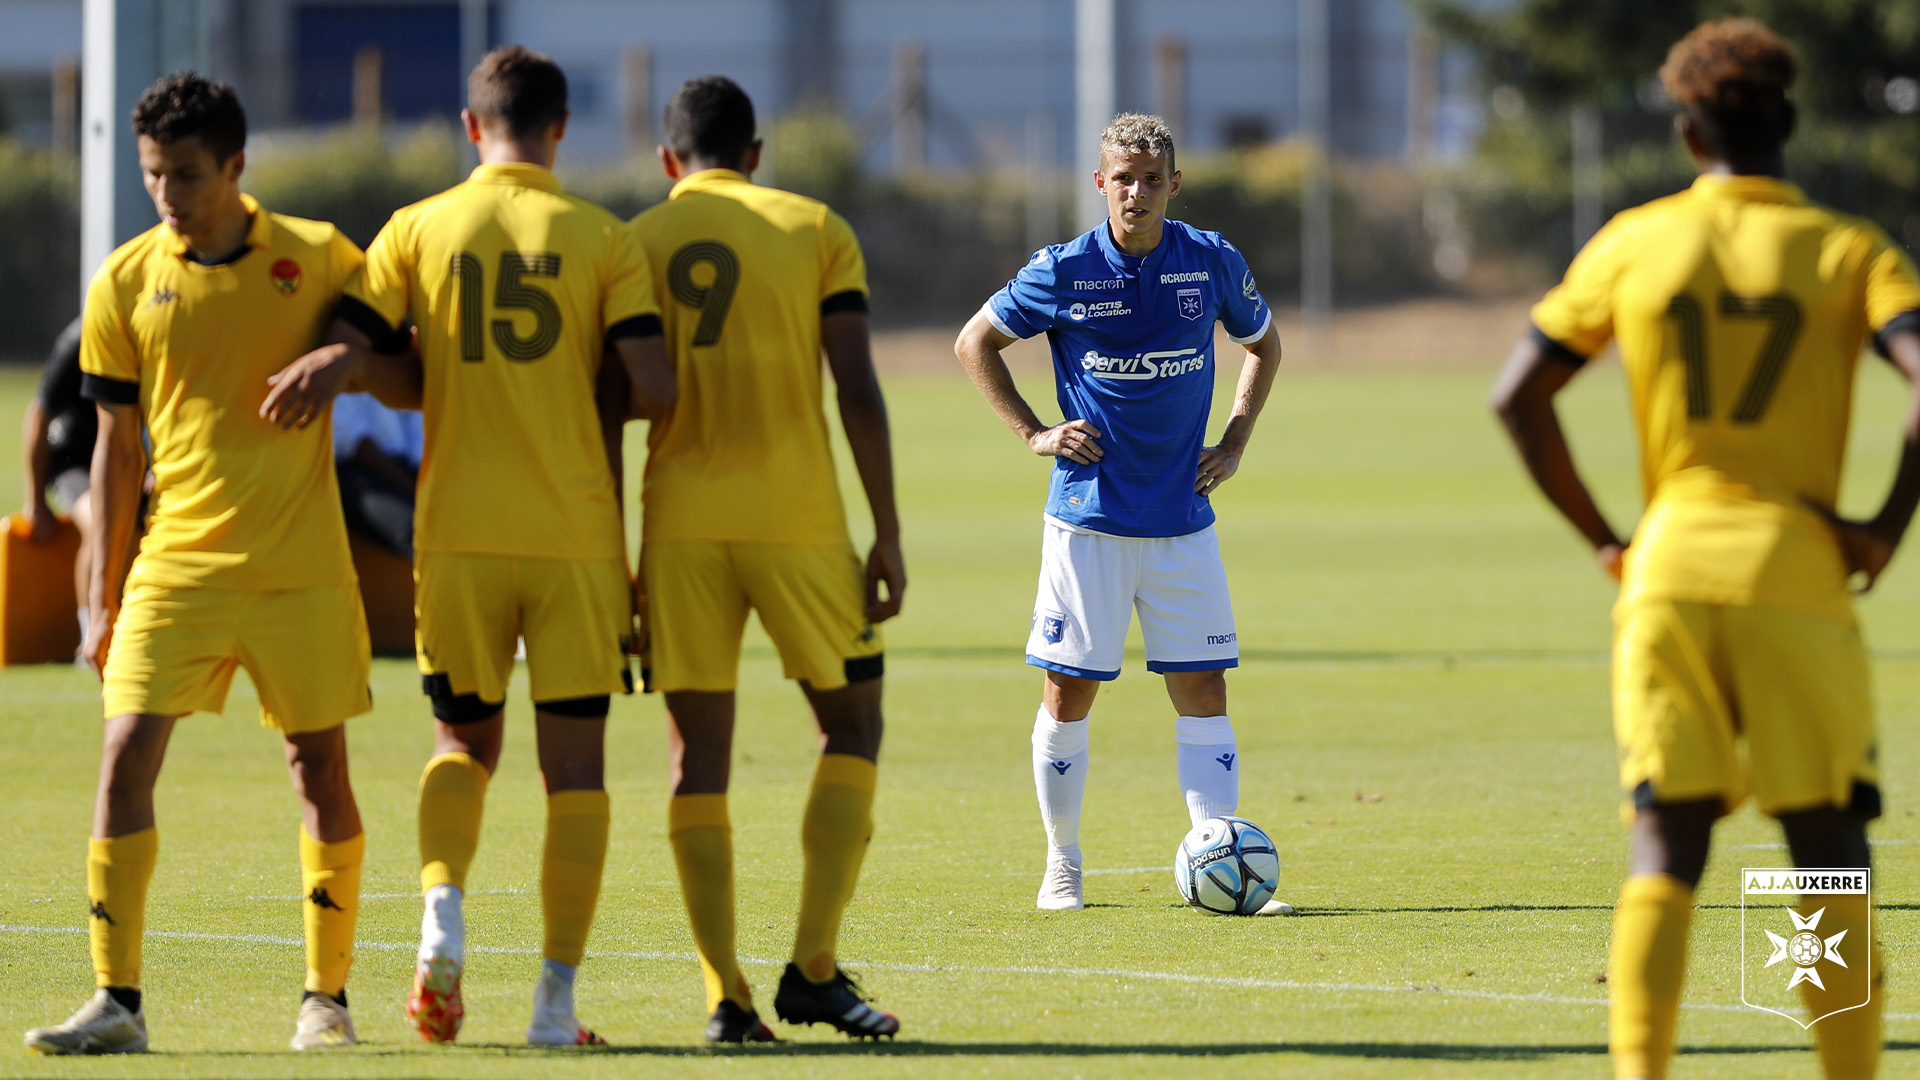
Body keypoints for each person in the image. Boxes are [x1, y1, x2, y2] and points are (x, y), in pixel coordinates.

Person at [1490, 19, 1920, 1080]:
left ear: (1688, 133)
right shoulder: (1847, 249)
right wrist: (1883, 525)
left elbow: (1518, 397)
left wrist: (1604, 539)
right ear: (1792, 123)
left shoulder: (1636, 242)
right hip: (1796, 574)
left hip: (1669, 569)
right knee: (1825, 853)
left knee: (1666, 848)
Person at [264, 45, 674, 1047]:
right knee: (574, 770)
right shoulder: (603, 238)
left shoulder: (417, 229)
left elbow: (369, 353)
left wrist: (352, 363)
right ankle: (555, 1007)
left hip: (455, 539)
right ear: (562, 128)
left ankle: (440, 918)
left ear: (468, 124)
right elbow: (656, 391)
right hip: (573, 535)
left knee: (462, 744)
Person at [22, 73, 373, 1054]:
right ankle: (117, 1002)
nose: (167, 193)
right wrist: (100, 598)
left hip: (301, 565)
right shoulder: (124, 281)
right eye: (152, 175)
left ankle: (327, 999)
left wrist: (339, 359)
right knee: (123, 756)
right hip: (176, 565)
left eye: (184, 173)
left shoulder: (317, 255)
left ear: (236, 166)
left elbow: (401, 349)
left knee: (320, 772)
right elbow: (114, 450)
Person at [628, 75, 905, 1043]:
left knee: (694, 759)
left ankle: (723, 997)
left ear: (670, 162)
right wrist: (890, 530)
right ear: (755, 153)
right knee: (854, 726)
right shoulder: (814, 226)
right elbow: (857, 389)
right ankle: (816, 967)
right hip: (797, 523)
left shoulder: (635, 242)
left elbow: (610, 396)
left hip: (678, 527)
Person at [953, 113, 1283, 913]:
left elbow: (1264, 345)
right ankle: (1061, 863)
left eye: (1151, 177)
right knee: (1068, 693)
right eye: (1122, 177)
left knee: (1204, 688)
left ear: (1175, 183)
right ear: (1100, 183)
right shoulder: (1062, 271)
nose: (1137, 191)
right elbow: (974, 343)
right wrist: (1034, 432)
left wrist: (1234, 442)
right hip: (1088, 522)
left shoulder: (1209, 262)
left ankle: (1216, 852)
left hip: (1182, 521)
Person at [19, 316, 97, 641]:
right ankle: (93, 633)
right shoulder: (80, 340)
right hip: (74, 458)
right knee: (102, 521)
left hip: (129, 455)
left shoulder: (161, 325)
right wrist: (35, 502)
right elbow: (39, 418)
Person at [331, 391, 422, 559]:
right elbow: (352, 441)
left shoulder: (402, 365)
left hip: (408, 469)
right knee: (416, 532)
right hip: (356, 473)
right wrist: (414, 489)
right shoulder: (332, 369)